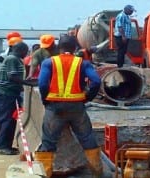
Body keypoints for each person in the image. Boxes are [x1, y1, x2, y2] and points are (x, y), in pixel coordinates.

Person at [36, 35, 102, 177]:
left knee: (48, 142)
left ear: (59, 48)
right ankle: (97, 173)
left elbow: (42, 83)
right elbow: (96, 81)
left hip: (54, 107)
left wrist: (45, 99)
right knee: (87, 139)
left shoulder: (49, 62)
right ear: (75, 48)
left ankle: (44, 174)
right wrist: (88, 97)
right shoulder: (83, 63)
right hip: (77, 107)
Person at [0, 42, 36, 155]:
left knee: (10, 120)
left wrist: (24, 85)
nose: (26, 53)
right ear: (21, 50)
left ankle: (5, 144)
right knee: (6, 120)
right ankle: (3, 146)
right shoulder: (12, 59)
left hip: (10, 93)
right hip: (6, 94)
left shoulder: (16, 59)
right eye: (25, 51)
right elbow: (12, 77)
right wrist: (27, 83)